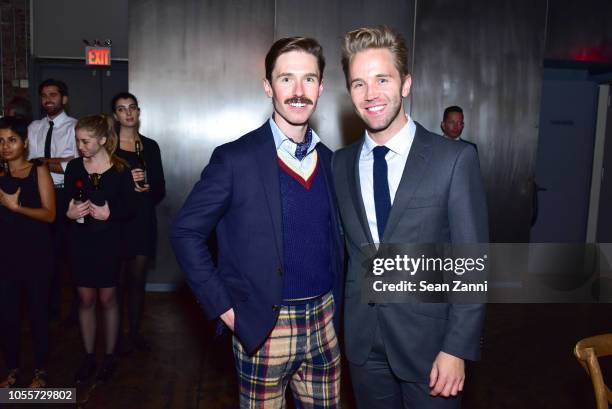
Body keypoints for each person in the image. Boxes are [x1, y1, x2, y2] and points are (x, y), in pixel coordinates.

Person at [170, 37, 344, 408]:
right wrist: (225, 309)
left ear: (321, 87)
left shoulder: (333, 163)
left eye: (309, 79)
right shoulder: (235, 159)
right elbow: (186, 232)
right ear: (268, 86)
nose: (298, 91)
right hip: (263, 325)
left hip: (324, 323)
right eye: (286, 79)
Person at [333, 26, 488, 408]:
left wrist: (457, 348)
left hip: (431, 349)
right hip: (363, 344)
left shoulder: (453, 160)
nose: (370, 95)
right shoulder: (340, 164)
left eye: (382, 79)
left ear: (405, 84)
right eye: (358, 84)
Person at [64, 115, 136, 383]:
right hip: (81, 242)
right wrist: (69, 212)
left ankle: (109, 357)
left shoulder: (121, 169)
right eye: (78, 140)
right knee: (85, 299)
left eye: (86, 141)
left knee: (107, 299)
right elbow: (67, 201)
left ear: (103, 140)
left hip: (109, 243)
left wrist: (111, 213)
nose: (80, 145)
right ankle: (88, 357)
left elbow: (132, 209)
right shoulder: (73, 167)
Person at [0, 117, 55, 388]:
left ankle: (40, 371)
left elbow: (50, 215)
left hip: (36, 254)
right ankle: (11, 370)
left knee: (37, 314)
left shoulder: (38, 171)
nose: (5, 146)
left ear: (24, 143)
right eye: (0, 141)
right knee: (7, 316)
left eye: (11, 140)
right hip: (5, 256)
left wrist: (16, 208)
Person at [112, 92, 165, 353]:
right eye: (122, 109)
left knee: (137, 280)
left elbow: (161, 190)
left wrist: (148, 188)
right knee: (117, 281)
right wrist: (125, 184)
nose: (128, 113)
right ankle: (116, 334)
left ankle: (133, 332)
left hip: (143, 219)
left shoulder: (150, 146)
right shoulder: (108, 147)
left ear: (138, 111)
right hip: (116, 221)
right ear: (115, 115)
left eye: (132, 108)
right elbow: (103, 189)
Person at [27, 79, 78, 321]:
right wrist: (57, 162)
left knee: (65, 254)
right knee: (40, 254)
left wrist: (43, 163)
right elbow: (29, 162)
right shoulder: (33, 127)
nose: (48, 99)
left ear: (64, 99)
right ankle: (44, 306)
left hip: (63, 195)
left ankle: (69, 309)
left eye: (53, 94)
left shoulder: (75, 128)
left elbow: (73, 167)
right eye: (44, 95)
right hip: (36, 195)